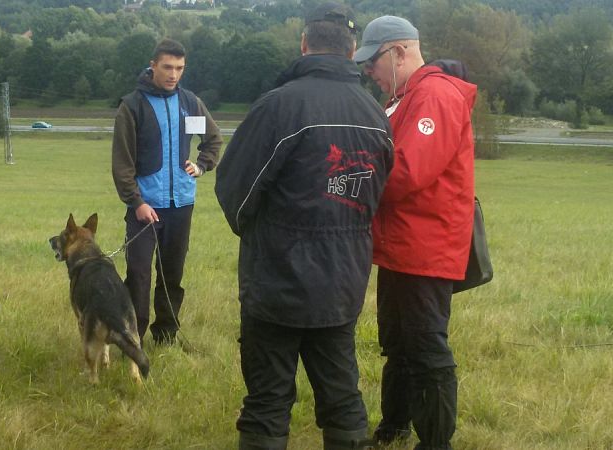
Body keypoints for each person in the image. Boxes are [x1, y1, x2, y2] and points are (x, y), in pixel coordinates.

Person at [215, 3, 394, 449]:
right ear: (352, 51)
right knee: (342, 392)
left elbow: (234, 190)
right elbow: (374, 196)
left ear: (304, 44)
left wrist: (264, 237)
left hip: (277, 281)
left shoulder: (279, 106)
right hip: (343, 282)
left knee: (268, 398)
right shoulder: (377, 116)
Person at [353, 15, 477, 450]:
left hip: (426, 247)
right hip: (402, 247)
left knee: (426, 348)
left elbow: (405, 172)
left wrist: (350, 180)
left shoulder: (435, 95)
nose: (370, 72)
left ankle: (436, 441)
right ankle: (394, 427)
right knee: (398, 344)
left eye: (374, 63)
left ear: (399, 52)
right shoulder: (408, 96)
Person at [112, 38, 222, 346]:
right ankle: (132, 337)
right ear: (153, 65)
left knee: (172, 274)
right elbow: (122, 163)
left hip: (181, 205)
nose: (173, 74)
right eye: (167, 67)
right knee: (138, 275)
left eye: (180, 68)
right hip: (144, 208)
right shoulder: (132, 106)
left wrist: (202, 165)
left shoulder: (190, 103)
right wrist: (136, 202)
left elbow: (213, 139)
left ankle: (167, 335)